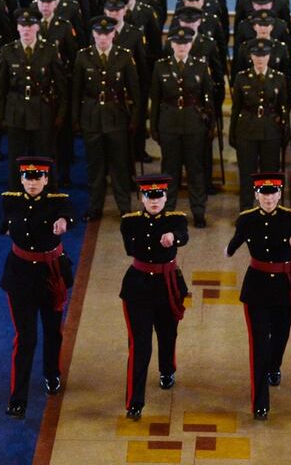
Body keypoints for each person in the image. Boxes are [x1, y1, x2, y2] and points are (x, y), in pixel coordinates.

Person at [226, 172, 291, 420]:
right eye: (264, 193)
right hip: (257, 288)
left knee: (281, 335)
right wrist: (229, 249)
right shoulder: (247, 219)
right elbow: (237, 239)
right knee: (259, 344)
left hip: (284, 287)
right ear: (256, 195)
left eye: (273, 193)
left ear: (279, 194)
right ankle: (260, 402)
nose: (268, 198)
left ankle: (275, 366)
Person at [0, 157, 76, 419]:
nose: (32, 183)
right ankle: (18, 399)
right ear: (21, 180)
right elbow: (6, 223)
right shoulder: (10, 200)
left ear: (46, 180)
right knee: (26, 338)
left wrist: (63, 222)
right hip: (20, 276)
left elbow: (68, 214)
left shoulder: (58, 201)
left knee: (53, 331)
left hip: (50, 275)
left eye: (38, 178)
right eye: (27, 178)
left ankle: (51, 373)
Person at [119, 175, 190, 420]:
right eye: (149, 196)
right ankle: (134, 401)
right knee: (140, 345)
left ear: (166, 197)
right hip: (138, 288)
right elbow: (131, 249)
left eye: (159, 196)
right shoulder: (128, 222)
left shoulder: (176, 219)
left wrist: (173, 237)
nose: (154, 201)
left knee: (168, 334)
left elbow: (183, 235)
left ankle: (167, 369)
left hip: (168, 286)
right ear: (141, 198)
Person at [71, 16, 139, 222]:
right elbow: (76, 91)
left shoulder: (124, 56)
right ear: (93, 34)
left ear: (113, 34)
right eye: (99, 34)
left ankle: (124, 207)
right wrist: (75, 119)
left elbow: (135, 92)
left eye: (107, 33)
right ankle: (95, 207)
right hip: (91, 117)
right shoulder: (83, 56)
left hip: (116, 116)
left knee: (119, 166)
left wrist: (135, 119)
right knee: (95, 167)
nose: (102, 38)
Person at [150, 26, 214, 228]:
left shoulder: (200, 66)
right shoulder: (160, 66)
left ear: (191, 44)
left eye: (185, 43)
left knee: (195, 169)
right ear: (171, 44)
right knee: (170, 169)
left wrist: (210, 126)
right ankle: (167, 210)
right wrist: (154, 126)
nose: (181, 47)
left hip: (194, 124)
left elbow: (208, 99)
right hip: (169, 123)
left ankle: (198, 211)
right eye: (177, 43)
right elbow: (155, 98)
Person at [0, 7, 66, 189]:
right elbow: (0, 87)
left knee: (45, 156)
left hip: (42, 110)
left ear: (37, 27)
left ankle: (49, 194)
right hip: (16, 111)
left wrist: (60, 114)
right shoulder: (7, 51)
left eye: (30, 25)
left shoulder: (49, 50)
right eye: (22, 26)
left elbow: (61, 86)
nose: (26, 30)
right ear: (17, 28)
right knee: (16, 158)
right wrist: (2, 115)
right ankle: (16, 194)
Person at [229, 40, 291, 211]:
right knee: (247, 173)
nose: (260, 59)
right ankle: (246, 210)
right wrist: (232, 132)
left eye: (263, 55)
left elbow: (283, 107)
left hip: (271, 131)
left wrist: (285, 133)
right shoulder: (241, 77)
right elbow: (236, 108)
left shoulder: (279, 78)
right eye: (256, 55)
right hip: (247, 130)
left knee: (269, 175)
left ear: (269, 56)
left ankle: (270, 210)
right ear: (251, 56)